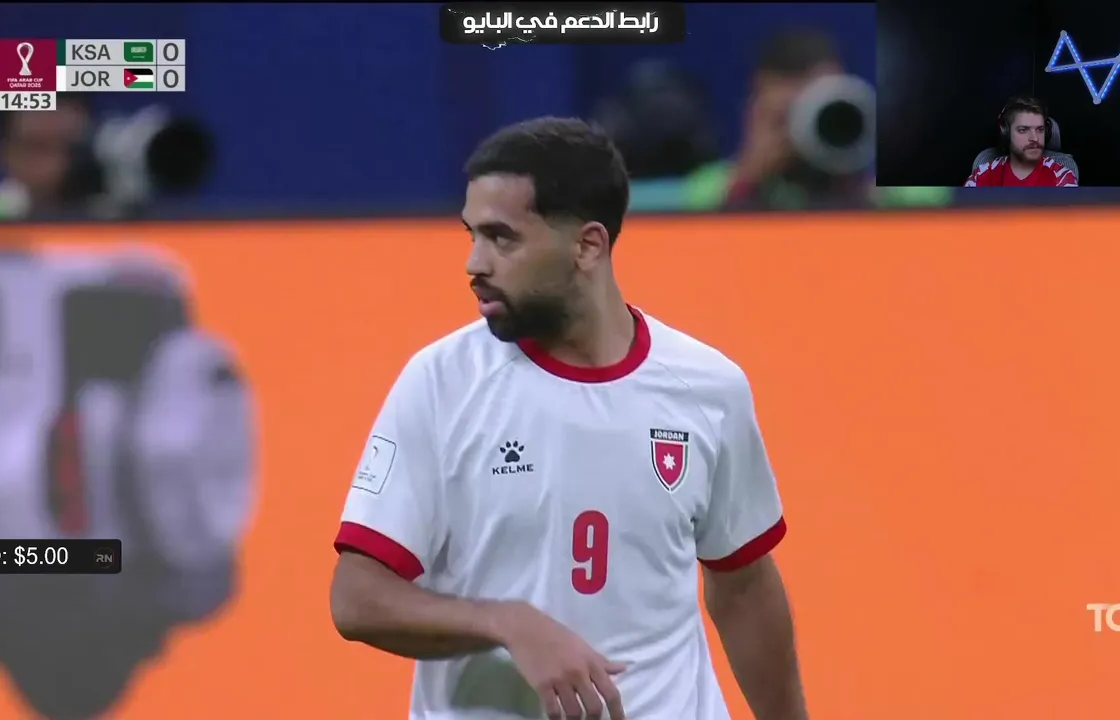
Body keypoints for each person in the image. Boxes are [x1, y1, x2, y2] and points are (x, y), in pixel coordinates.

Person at [329, 117, 807, 720]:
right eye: (472, 235)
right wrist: (506, 624)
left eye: (502, 239)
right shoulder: (442, 382)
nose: (474, 263)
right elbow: (357, 598)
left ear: (587, 246)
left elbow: (743, 586)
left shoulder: (708, 388)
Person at [682, 29, 875, 211]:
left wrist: (854, 180)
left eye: (827, 114)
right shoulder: (708, 188)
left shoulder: (881, 193)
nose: (806, 128)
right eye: (787, 115)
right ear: (755, 110)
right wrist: (748, 176)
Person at [0, 93, 93, 221]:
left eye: (70, 147)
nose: (54, 165)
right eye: (35, 148)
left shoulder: (104, 212)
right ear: (3, 152)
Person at [964, 97, 1078, 187]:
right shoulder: (981, 175)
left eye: (1040, 129)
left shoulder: (1062, 177)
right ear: (1006, 133)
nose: (1035, 138)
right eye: (1023, 130)